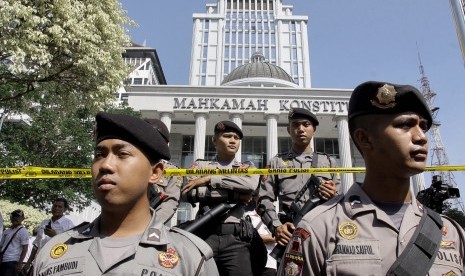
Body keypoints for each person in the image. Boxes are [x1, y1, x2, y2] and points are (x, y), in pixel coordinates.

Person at [280, 81, 465, 275]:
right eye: (404, 125)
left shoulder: (451, 232)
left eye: (423, 126)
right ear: (364, 138)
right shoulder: (318, 229)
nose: (421, 137)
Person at [34, 112, 218, 275]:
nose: (105, 165)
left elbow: (171, 201)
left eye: (122, 154)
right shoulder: (54, 252)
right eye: (100, 155)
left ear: (155, 173)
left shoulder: (190, 257)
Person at [181, 120, 260, 276]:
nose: (232, 141)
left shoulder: (247, 168)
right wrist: (237, 194)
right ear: (214, 140)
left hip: (236, 239)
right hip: (204, 235)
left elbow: (250, 185)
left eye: (236, 138)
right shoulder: (200, 166)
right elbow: (186, 193)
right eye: (227, 136)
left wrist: (210, 179)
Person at [258, 108, 339, 249]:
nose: (301, 129)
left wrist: (333, 196)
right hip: (290, 232)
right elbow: (264, 200)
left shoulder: (328, 161)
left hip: (323, 233)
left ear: (314, 129)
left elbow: (341, 200)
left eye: (306, 125)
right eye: (295, 125)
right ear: (289, 130)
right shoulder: (276, 162)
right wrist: (277, 227)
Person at [145, 118, 183, 225]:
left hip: (151, 223)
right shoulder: (127, 163)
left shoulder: (172, 171)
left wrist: (151, 223)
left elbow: (170, 202)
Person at [22, 198, 74, 274]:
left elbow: (70, 246)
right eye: (55, 206)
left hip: (53, 266)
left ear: (65, 209)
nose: (56, 208)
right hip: (37, 263)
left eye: (60, 207)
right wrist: (28, 262)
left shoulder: (69, 225)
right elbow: (36, 244)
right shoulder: (44, 222)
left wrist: (55, 236)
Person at [0, 209, 29, 276]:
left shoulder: (23, 231)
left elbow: (25, 249)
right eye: (13, 216)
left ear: (22, 218)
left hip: (13, 262)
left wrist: (19, 264)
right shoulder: (6, 231)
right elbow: (1, 246)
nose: (14, 218)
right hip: (2, 261)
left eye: (17, 216)